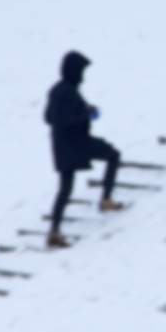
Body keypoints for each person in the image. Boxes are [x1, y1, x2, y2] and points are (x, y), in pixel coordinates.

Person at [43, 50, 123, 248]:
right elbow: (69, 120)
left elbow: (48, 118)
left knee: (65, 189)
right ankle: (106, 198)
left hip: (60, 145)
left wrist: (82, 111)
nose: (82, 75)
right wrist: (86, 114)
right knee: (113, 155)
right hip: (77, 142)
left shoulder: (56, 90)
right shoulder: (68, 91)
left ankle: (54, 230)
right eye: (81, 70)